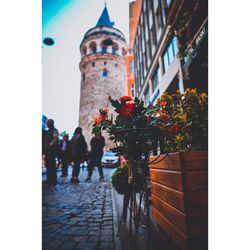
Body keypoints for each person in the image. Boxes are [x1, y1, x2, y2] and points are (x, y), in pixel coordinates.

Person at [42, 119, 59, 185]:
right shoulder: (47, 131)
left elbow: (56, 139)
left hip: (51, 151)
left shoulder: (54, 131)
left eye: (48, 123)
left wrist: (49, 145)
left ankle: (53, 180)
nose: (47, 124)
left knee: (52, 165)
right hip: (47, 151)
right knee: (48, 165)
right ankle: (49, 179)